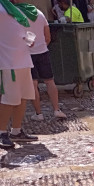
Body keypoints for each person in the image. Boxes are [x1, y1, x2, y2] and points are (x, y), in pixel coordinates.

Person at [17, 1, 67, 121]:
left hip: (27, 54)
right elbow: (48, 37)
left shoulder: (17, 15)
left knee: (33, 84)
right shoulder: (40, 14)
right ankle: (56, 109)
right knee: (50, 81)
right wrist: (41, 46)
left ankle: (38, 113)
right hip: (43, 52)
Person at [0, 0, 38, 149]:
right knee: (9, 99)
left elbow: (15, 31)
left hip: (23, 60)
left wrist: (26, 39)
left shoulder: (13, 9)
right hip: (8, 62)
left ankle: (16, 130)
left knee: (23, 97)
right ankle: (2, 132)